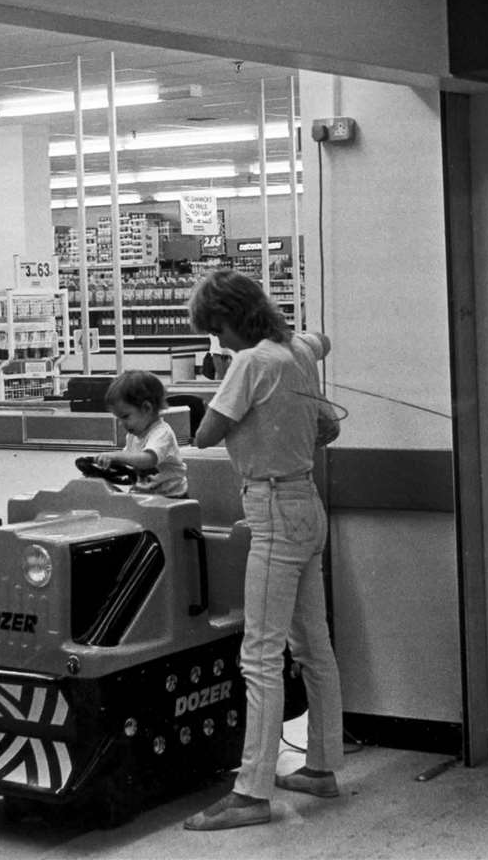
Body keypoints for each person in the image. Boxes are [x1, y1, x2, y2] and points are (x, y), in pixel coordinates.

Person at [182, 269, 343, 831]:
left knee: (260, 655)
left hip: (272, 511)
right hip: (308, 504)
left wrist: (224, 383)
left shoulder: (250, 363)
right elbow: (329, 417)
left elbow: (204, 435)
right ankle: (321, 766)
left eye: (218, 328)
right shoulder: (295, 351)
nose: (218, 342)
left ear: (234, 317)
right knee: (314, 647)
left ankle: (251, 793)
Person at [91, 369, 189, 495]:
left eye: (125, 416)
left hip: (171, 498)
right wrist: (108, 462)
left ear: (146, 408)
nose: (121, 423)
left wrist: (115, 455)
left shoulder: (162, 433)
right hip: (144, 495)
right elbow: (128, 461)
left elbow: (147, 460)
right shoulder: (133, 436)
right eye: (119, 418)